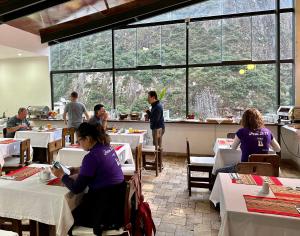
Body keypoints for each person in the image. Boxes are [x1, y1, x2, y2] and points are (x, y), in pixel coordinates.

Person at [51, 122, 125, 235]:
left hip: (104, 212)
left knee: (66, 218)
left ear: (88, 138)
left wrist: (62, 175)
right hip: (116, 205)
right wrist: (78, 169)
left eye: (79, 140)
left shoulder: (91, 157)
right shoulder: (107, 148)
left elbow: (76, 189)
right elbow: (100, 167)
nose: (78, 143)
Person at [216, 108, 281, 173]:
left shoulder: (242, 132)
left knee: (218, 171)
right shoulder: (268, 132)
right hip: (263, 169)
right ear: (260, 119)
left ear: (244, 120)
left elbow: (233, 148)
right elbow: (278, 149)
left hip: (245, 168)